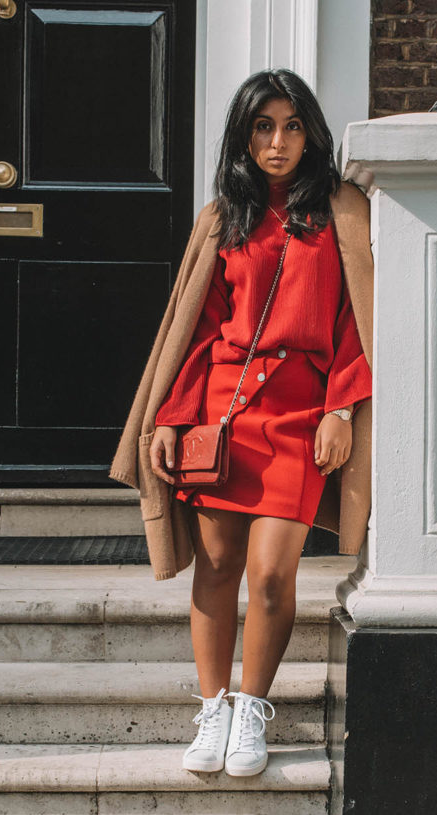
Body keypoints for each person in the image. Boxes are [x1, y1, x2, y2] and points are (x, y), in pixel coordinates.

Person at [112, 68, 373, 778]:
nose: (278, 142)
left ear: (311, 133)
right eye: (263, 127)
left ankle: (252, 710)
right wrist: (170, 416)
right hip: (223, 412)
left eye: (291, 126)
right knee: (219, 563)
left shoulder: (342, 210)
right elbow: (194, 330)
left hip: (298, 415)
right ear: (243, 136)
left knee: (268, 574)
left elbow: (358, 322)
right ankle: (213, 707)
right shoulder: (222, 214)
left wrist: (341, 407)